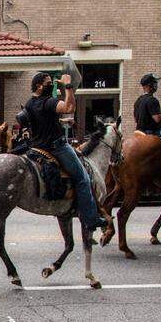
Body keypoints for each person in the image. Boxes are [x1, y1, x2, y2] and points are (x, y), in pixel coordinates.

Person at [23, 71, 107, 231]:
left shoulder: (29, 103)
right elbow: (69, 107)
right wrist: (68, 86)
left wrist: (61, 120)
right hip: (57, 147)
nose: (51, 85)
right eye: (48, 83)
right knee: (83, 178)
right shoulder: (49, 101)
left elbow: (42, 119)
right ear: (39, 86)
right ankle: (90, 218)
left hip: (37, 147)